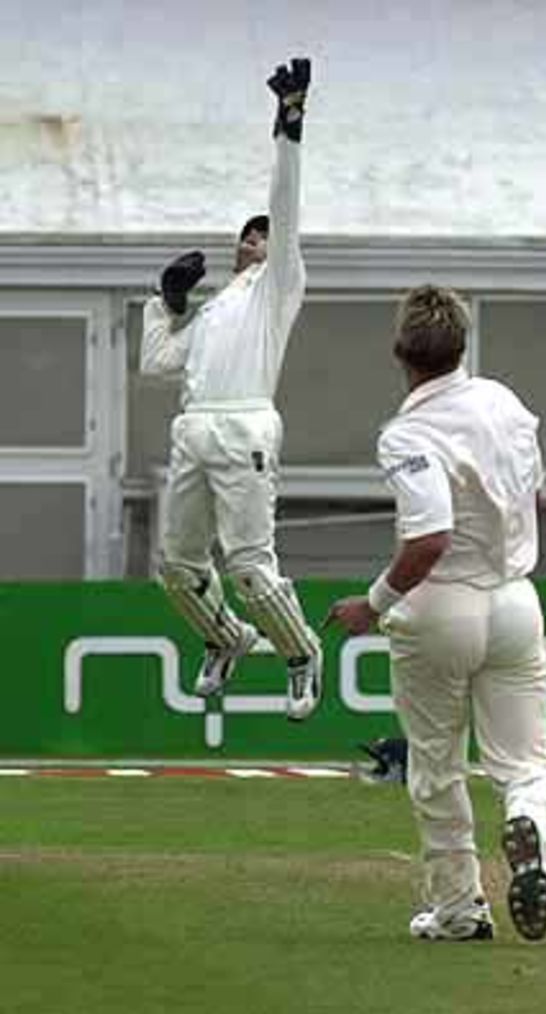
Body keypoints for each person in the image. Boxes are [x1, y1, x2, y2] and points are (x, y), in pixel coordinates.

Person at [325, 285, 546, 942]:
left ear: (401, 352)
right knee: (524, 762)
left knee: (436, 768)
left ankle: (459, 910)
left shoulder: (406, 433)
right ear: (462, 345)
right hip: (515, 599)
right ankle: (531, 828)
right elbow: (533, 498)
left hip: (440, 607)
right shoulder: (505, 403)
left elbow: (427, 538)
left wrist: (369, 607)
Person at [138, 57, 321, 721]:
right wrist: (169, 299)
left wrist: (289, 123)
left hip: (245, 427)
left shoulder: (280, 288)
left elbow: (286, 203)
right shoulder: (217, 309)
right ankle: (226, 638)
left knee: (248, 566)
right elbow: (158, 360)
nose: (252, 242)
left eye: (263, 236)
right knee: (177, 565)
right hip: (194, 427)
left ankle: (302, 656)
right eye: (246, 236)